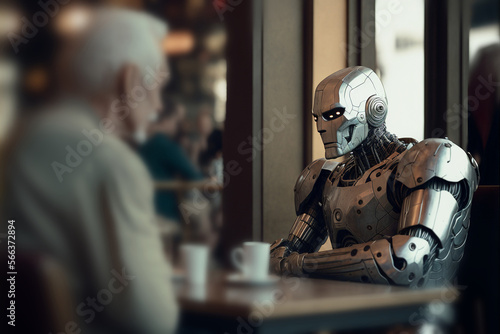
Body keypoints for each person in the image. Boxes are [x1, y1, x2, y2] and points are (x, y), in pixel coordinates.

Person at [3, 8, 178, 334]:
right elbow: (153, 320)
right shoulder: (110, 161)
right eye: (158, 85)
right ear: (129, 80)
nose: (157, 106)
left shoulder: (20, 138)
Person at [270, 66, 479, 288]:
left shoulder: (432, 159)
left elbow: (407, 259)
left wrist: (299, 265)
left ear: (374, 109)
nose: (322, 127)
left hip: (417, 313)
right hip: (345, 308)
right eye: (317, 118)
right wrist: (281, 258)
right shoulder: (325, 178)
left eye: (332, 114)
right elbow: (284, 255)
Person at [139, 101, 204, 224]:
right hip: (164, 212)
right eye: (176, 122)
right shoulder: (164, 144)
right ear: (166, 120)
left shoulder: (145, 142)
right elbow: (195, 177)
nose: (177, 127)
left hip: (144, 207)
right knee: (205, 215)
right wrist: (194, 154)